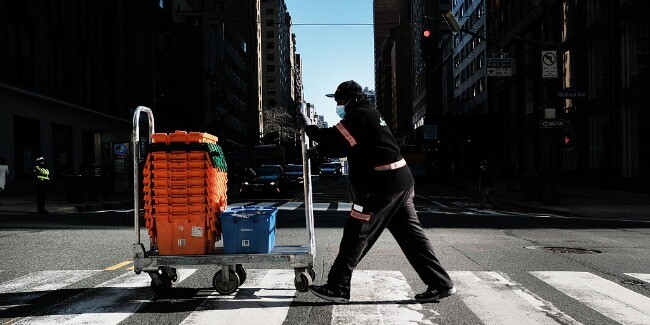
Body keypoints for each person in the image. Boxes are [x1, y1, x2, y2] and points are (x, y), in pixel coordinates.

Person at [295, 80, 455, 304]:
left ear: (353, 98)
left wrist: (307, 126)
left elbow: (333, 138)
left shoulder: (358, 116)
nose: (338, 105)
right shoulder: (369, 114)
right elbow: (348, 146)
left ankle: (337, 288)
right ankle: (440, 283)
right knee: (412, 238)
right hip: (400, 183)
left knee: (356, 234)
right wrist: (320, 150)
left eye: (340, 100)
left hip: (380, 187)